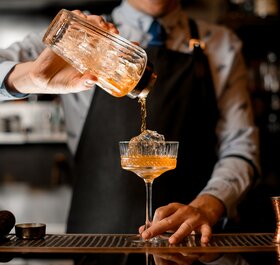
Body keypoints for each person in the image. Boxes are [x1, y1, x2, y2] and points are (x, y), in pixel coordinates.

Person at [0, 0, 259, 246]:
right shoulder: (79, 37)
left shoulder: (221, 44)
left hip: (190, 244)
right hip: (95, 240)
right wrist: (31, 77)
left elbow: (241, 148)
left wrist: (208, 206)